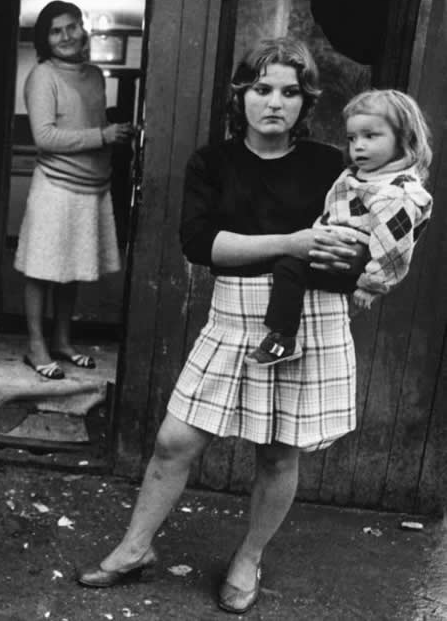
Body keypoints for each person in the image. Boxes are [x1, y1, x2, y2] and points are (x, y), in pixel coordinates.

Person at [76, 38, 368, 614]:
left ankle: (248, 558)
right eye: (262, 90)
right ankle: (136, 548)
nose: (275, 103)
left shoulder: (331, 165)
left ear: (305, 101)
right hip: (233, 315)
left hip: (307, 317)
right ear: (242, 95)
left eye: (289, 92)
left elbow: (360, 238)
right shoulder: (213, 162)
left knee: (279, 454)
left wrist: (356, 263)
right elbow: (201, 244)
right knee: (173, 440)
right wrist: (292, 242)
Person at [247, 89, 433, 366]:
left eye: (370, 136)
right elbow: (334, 212)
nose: (358, 146)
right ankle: (284, 334)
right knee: (287, 267)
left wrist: (370, 285)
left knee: (288, 268)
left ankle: (282, 338)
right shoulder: (357, 176)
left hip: (351, 261)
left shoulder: (396, 192)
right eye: (352, 138)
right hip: (333, 248)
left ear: (404, 139)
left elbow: (394, 246)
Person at [15, 0, 135, 380]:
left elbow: (92, 125)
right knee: (40, 270)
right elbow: (45, 137)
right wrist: (103, 135)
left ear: (83, 29)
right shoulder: (41, 76)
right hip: (55, 187)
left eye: (72, 26)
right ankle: (36, 346)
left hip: (92, 189)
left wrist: (112, 139)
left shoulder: (95, 75)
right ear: (45, 40)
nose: (66, 36)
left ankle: (63, 341)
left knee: (69, 271)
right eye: (55, 30)